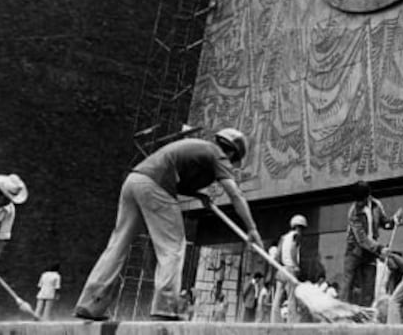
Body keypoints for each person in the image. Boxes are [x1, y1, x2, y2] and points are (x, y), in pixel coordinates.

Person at [74, 128, 264, 321]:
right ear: (231, 152)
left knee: (117, 245)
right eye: (232, 160)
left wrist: (198, 195)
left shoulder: (200, 149)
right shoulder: (218, 155)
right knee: (172, 247)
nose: (229, 164)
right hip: (156, 187)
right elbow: (235, 194)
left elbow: (176, 178)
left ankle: (91, 303)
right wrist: (252, 228)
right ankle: (165, 307)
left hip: (134, 182)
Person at [341, 181, 400, 307]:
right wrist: (380, 248)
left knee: (369, 287)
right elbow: (362, 239)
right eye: (357, 200)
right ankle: (343, 312)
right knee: (348, 285)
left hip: (370, 253)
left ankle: (366, 313)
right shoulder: (353, 212)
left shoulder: (376, 205)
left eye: (361, 200)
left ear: (368, 196)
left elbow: (384, 223)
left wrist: (393, 221)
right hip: (354, 252)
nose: (358, 203)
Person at [277, 214, 307, 322]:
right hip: (290, 269)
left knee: (277, 298)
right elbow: (293, 249)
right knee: (291, 298)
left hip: (282, 268)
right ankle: (291, 322)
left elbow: (278, 254)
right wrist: (296, 265)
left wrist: (280, 265)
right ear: (300, 227)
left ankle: (274, 321)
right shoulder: (296, 236)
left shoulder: (283, 237)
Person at [0, 174, 28, 260]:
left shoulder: (9, 210)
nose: (2, 200)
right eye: (0, 195)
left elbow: (2, 238)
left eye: (7, 199)